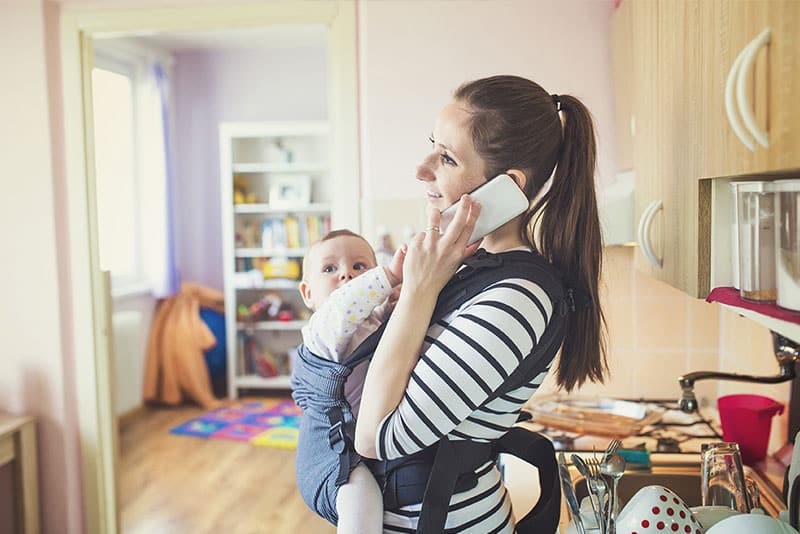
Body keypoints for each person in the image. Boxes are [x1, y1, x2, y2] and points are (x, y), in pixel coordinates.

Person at [354, 75, 608, 532]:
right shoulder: (467, 266)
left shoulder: (518, 297)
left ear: (507, 187)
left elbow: (377, 437)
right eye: (433, 144)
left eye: (447, 158)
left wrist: (417, 291)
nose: (421, 169)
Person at [295, 229, 406, 534]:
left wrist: (397, 302)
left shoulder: (372, 319)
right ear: (307, 294)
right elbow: (345, 306)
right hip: (329, 451)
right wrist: (389, 274)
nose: (346, 274)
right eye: (330, 269)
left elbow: (380, 327)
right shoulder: (323, 328)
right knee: (362, 495)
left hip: (362, 438)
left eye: (359, 266)